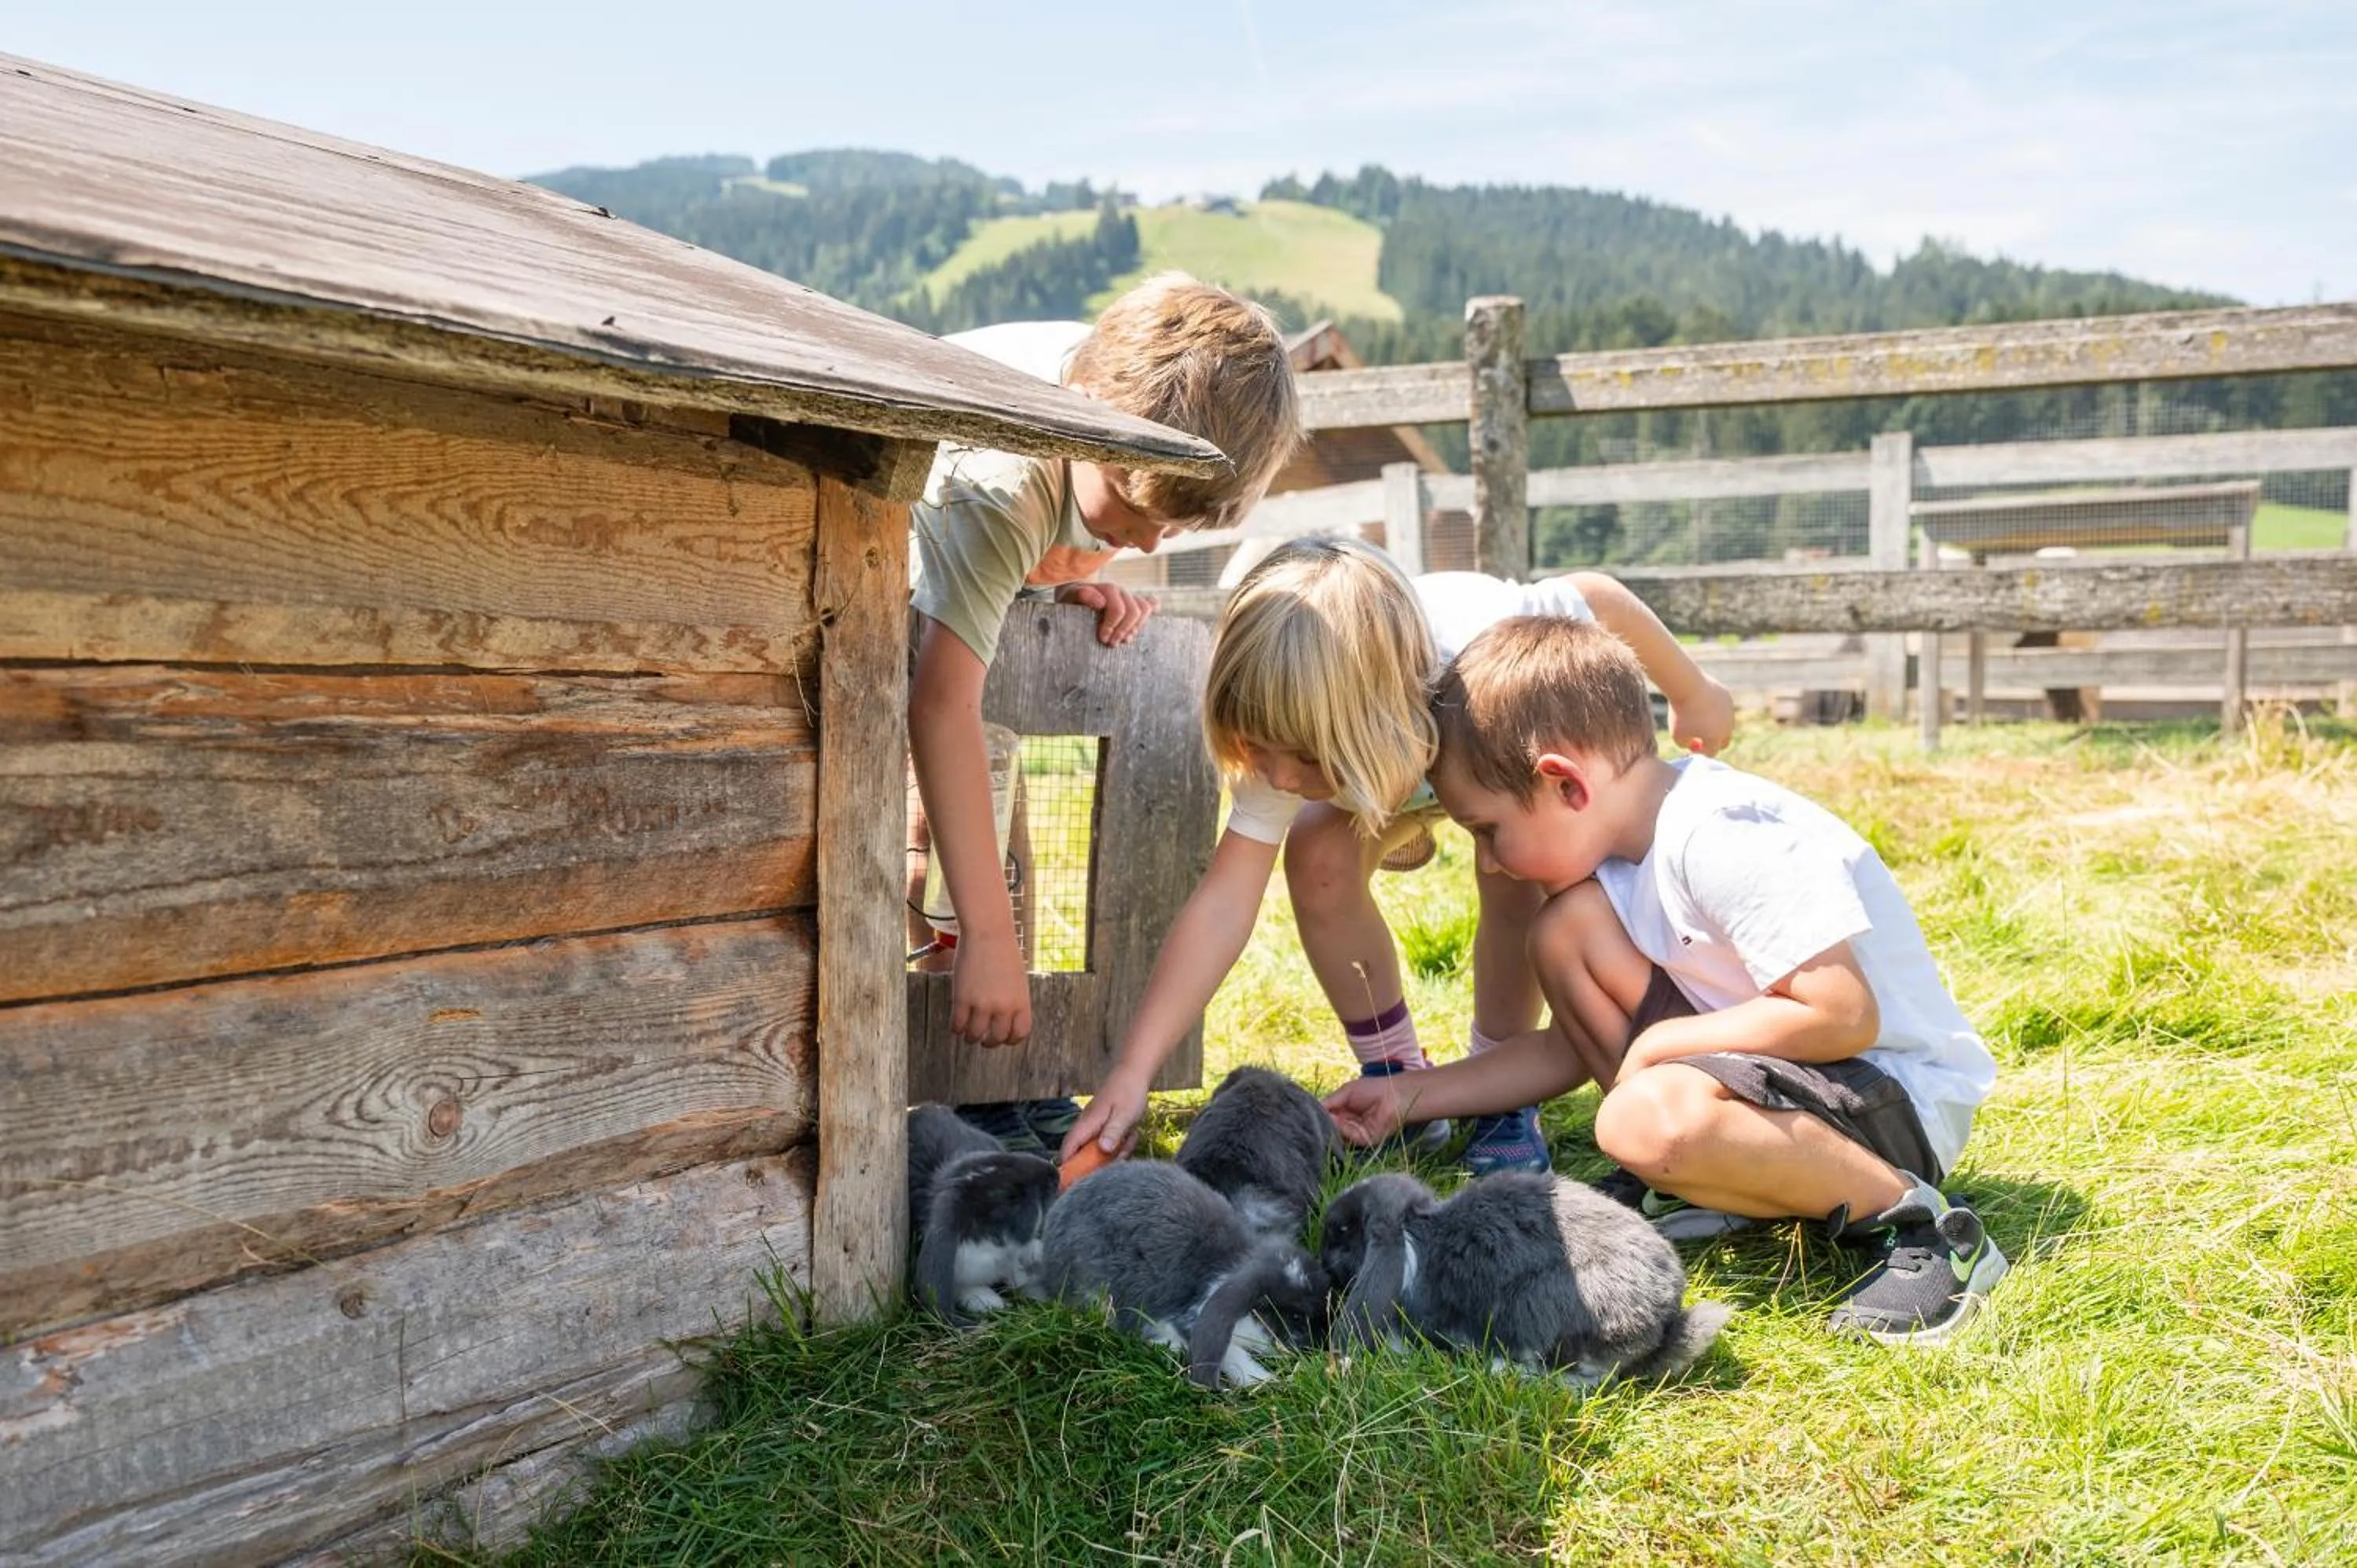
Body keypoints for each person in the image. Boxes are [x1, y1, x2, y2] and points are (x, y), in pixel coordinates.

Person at [1325, 616, 2007, 1343]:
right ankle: (1716, 1171)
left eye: (1488, 830)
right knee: (1563, 935)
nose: (1489, 863)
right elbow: (1564, 1052)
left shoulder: (1722, 836)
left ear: (1565, 783)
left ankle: (1928, 1226)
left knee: (1640, 1117)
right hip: (1801, 1082)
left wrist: (1666, 1046)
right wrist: (1408, 1096)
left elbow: (1842, 1012)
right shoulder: (1618, 866)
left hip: (1895, 1095)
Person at [1059, 535, 1735, 1175]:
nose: (1280, 778)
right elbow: (1224, 903)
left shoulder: (1485, 654)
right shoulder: (1287, 734)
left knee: (1513, 870)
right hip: (1390, 770)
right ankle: (1395, 1076)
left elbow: (1598, 597)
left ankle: (1496, 1087)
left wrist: (1693, 692)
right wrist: (1133, 1072)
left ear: (1373, 716)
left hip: (1487, 754)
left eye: (1300, 757)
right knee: (1317, 848)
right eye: (1260, 751)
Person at [908, 275, 1299, 1153]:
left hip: (979, 565)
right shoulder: (997, 480)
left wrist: (1068, 560)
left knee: (1003, 838)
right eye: (1132, 512)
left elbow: (1077, 511)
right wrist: (987, 937)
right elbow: (938, 706)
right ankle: (938, 1083)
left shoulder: (1129, 395)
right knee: (924, 849)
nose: (1151, 544)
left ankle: (999, 1077)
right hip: (876, 590)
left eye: (1169, 526)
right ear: (1076, 418)